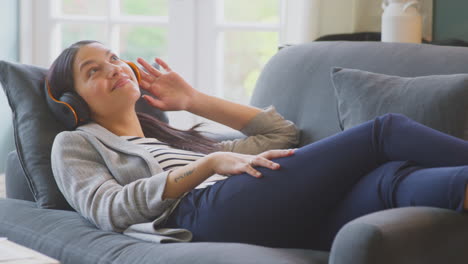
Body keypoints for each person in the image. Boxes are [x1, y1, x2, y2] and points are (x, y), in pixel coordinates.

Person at [48, 40, 468, 251]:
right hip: (203, 212)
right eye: (94, 71)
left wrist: (193, 101)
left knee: (389, 180)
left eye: (114, 59)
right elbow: (109, 208)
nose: (114, 69)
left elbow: (280, 135)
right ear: (75, 101)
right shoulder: (75, 143)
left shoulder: (169, 138)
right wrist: (207, 166)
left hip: (247, 202)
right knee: (384, 131)